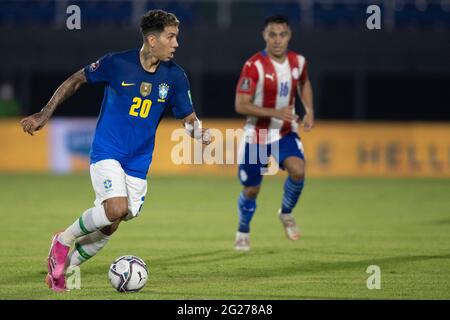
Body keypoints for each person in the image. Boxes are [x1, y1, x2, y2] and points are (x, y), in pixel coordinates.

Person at [20, 9, 211, 291]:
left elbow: (189, 120)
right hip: (107, 150)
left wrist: (200, 134)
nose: (176, 44)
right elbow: (76, 80)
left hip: (138, 161)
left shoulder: (176, 77)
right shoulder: (116, 63)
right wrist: (45, 114)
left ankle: (66, 268)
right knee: (116, 208)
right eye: (171, 37)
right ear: (152, 39)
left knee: (113, 222)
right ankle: (62, 240)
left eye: (176, 37)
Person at [234, 15, 314, 251]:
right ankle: (243, 230)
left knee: (298, 170)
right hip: (256, 135)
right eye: (272, 34)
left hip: (284, 133)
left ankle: (286, 213)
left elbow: (304, 83)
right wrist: (274, 112)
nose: (277, 40)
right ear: (264, 36)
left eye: (282, 34)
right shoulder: (254, 65)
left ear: (289, 36)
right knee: (252, 189)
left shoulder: (298, 62)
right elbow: (241, 105)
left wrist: (309, 110)